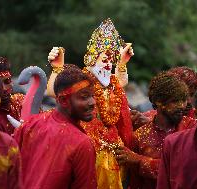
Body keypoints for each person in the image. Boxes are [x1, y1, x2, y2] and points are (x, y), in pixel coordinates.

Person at [47, 18, 134, 188]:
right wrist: (57, 68)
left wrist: (122, 63)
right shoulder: (82, 80)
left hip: (116, 151)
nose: (109, 64)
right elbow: (53, 92)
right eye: (105, 59)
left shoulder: (112, 83)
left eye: (112, 60)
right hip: (89, 149)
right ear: (92, 58)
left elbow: (121, 82)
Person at [14, 67, 97, 189]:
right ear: (63, 100)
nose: (92, 102)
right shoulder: (82, 144)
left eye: (92, 96)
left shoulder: (31, 124)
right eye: (84, 97)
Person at [115, 72, 197, 189]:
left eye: (184, 100)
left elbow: (183, 169)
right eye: (175, 101)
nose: (182, 106)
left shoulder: (192, 128)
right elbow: (135, 182)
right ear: (159, 101)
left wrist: (138, 161)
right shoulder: (140, 136)